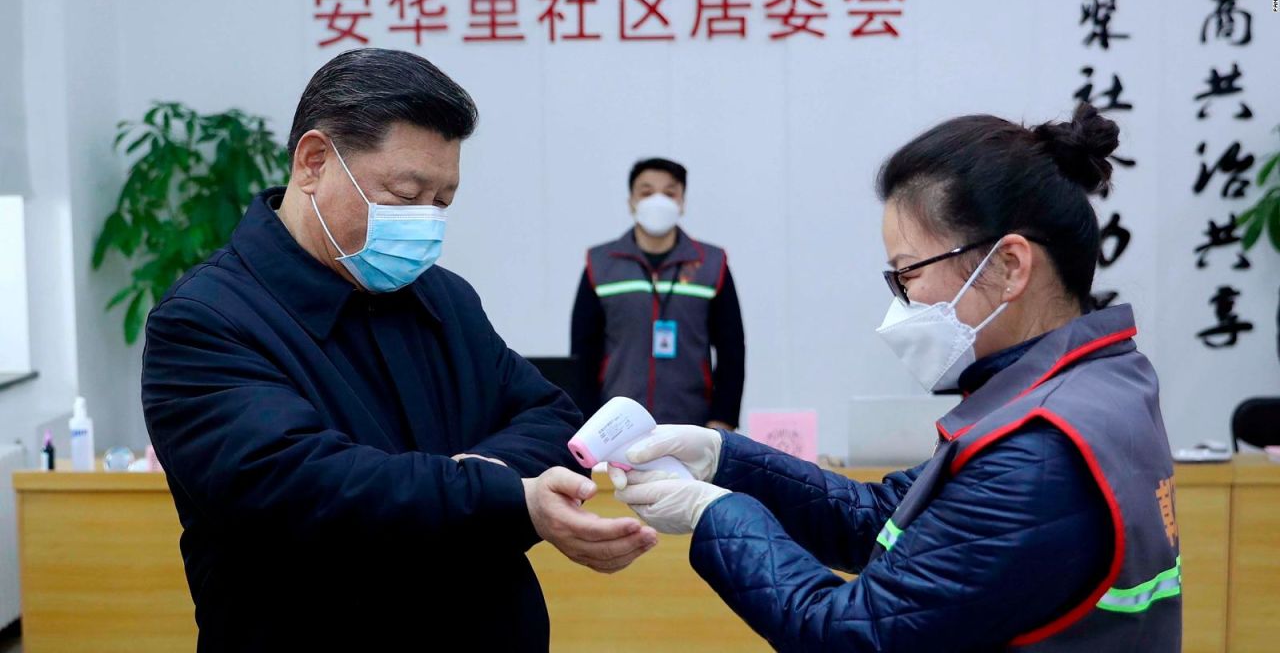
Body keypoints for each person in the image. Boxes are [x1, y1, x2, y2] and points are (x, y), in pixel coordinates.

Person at [611, 103, 1181, 651]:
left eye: (909, 272)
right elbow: (882, 519)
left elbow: (850, 634)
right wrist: (723, 459)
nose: (904, 301)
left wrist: (714, 513)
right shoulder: (1092, 383)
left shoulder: (1036, 452)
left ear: (1009, 266)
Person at [141, 48, 657, 652]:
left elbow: (551, 419)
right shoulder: (206, 321)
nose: (425, 222)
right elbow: (307, 487)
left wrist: (473, 485)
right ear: (313, 162)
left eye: (442, 202)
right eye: (405, 193)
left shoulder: (443, 299)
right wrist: (500, 493)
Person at [571, 157, 745, 429]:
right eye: (647, 192)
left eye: (669, 192)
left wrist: (722, 420)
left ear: (682, 202)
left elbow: (732, 350)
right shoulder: (600, 263)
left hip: (693, 425)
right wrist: (587, 420)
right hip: (616, 424)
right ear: (631, 201)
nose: (658, 200)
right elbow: (583, 354)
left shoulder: (712, 264)